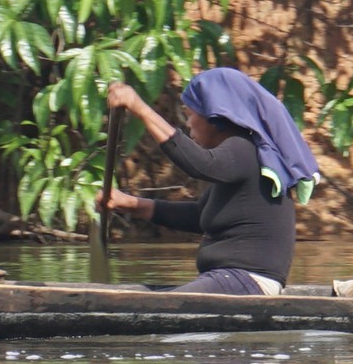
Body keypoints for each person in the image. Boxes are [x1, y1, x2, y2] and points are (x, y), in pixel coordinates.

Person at [99, 68, 320, 294]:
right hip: (230, 280)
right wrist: (131, 204)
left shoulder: (246, 148)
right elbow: (199, 215)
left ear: (215, 117)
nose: (188, 124)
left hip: (247, 280)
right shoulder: (236, 158)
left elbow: (200, 164)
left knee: (153, 308)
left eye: (190, 115)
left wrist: (141, 109)